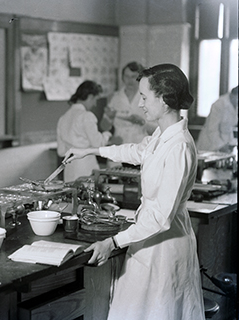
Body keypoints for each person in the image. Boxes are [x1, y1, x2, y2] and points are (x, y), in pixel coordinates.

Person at [64, 64, 204, 319]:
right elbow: (135, 152)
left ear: (164, 99)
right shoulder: (162, 135)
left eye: (144, 97)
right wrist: (91, 151)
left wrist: (113, 241)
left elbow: (161, 217)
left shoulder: (179, 147)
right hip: (147, 240)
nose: (140, 104)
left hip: (165, 246)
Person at [56, 80, 112, 181]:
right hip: (86, 167)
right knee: (88, 195)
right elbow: (98, 143)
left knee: (72, 195)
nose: (95, 104)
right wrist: (107, 134)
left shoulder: (63, 118)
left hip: (69, 168)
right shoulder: (86, 116)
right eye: (95, 99)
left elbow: (61, 152)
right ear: (90, 97)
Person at [101, 62, 157, 146]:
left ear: (140, 78)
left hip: (140, 144)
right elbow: (104, 127)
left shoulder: (149, 98)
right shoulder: (115, 97)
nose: (129, 80)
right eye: (126, 76)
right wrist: (109, 118)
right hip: (119, 143)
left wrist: (142, 122)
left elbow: (157, 129)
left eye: (133, 77)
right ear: (122, 77)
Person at [196, 86, 238, 152]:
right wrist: (221, 146)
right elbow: (212, 130)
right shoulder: (219, 105)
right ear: (233, 95)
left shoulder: (236, 106)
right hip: (209, 145)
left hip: (225, 145)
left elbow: (230, 127)